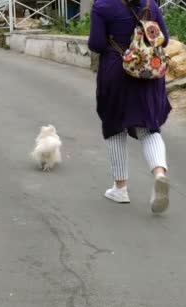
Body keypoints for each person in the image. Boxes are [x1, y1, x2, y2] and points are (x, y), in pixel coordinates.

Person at [88, 0, 172, 213]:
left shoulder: (103, 5)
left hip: (117, 71)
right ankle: (160, 174)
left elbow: (96, 44)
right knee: (149, 128)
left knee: (115, 128)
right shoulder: (150, 4)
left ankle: (120, 188)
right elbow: (165, 40)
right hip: (148, 75)